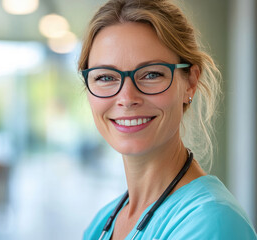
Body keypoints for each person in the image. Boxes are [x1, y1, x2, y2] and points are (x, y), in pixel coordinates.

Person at [78, 0, 257, 239]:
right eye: (105, 77)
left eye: (152, 74)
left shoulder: (212, 222)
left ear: (190, 83)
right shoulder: (104, 220)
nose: (127, 98)